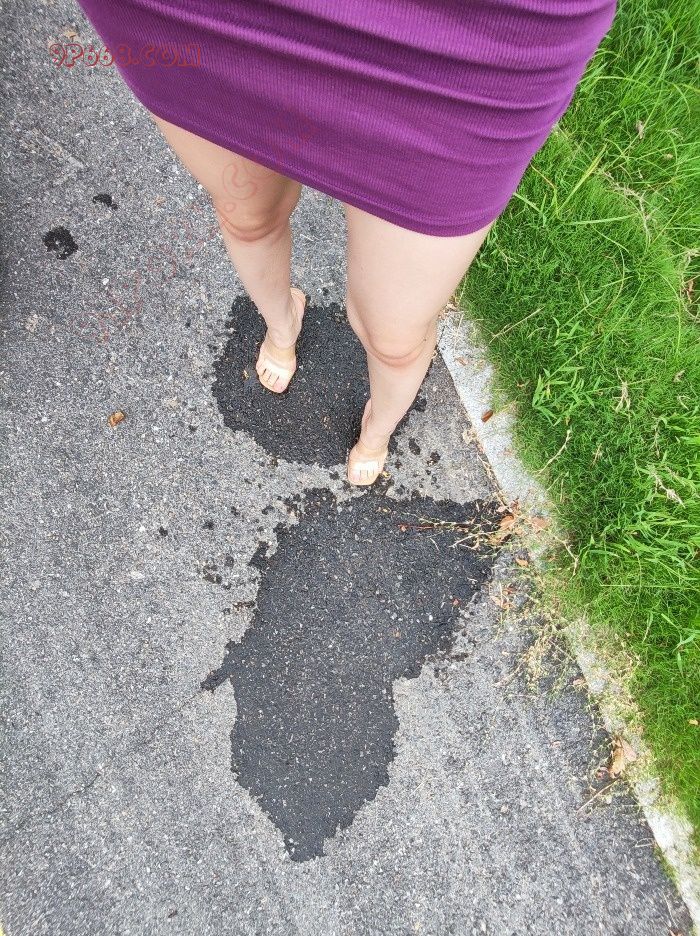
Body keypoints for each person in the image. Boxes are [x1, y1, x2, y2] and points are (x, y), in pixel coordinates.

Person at [73, 0, 617, 485]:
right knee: (249, 218)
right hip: (209, 17)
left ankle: (378, 429)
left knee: (394, 336)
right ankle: (281, 322)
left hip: (469, 41)